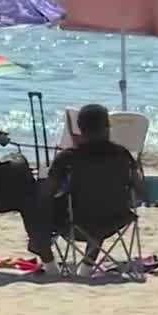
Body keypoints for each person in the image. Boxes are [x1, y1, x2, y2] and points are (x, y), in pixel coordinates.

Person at [20, 104, 141, 277]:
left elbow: (47, 193)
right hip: (116, 219)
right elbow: (141, 190)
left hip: (76, 222)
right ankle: (86, 268)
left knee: (34, 203)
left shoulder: (69, 157)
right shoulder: (122, 155)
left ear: (80, 129)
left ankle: (48, 261)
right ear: (107, 127)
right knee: (100, 202)